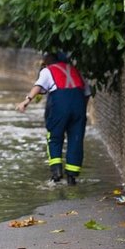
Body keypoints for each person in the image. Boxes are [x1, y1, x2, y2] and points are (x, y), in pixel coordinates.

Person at [16, 52, 91, 185]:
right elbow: (87, 92)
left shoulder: (48, 70)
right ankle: (71, 177)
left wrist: (26, 101)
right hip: (79, 105)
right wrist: (80, 110)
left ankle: (56, 173)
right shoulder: (75, 70)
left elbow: (38, 86)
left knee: (55, 137)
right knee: (76, 139)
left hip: (60, 105)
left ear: (48, 60)